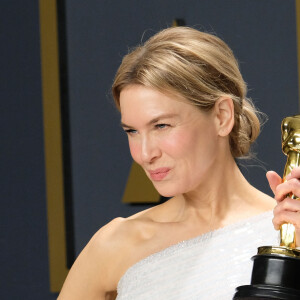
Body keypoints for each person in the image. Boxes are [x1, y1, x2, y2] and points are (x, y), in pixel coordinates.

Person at [58, 26, 300, 300]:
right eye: (132, 131)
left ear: (222, 116)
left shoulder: (287, 233)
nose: (145, 153)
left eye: (161, 125)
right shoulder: (116, 244)